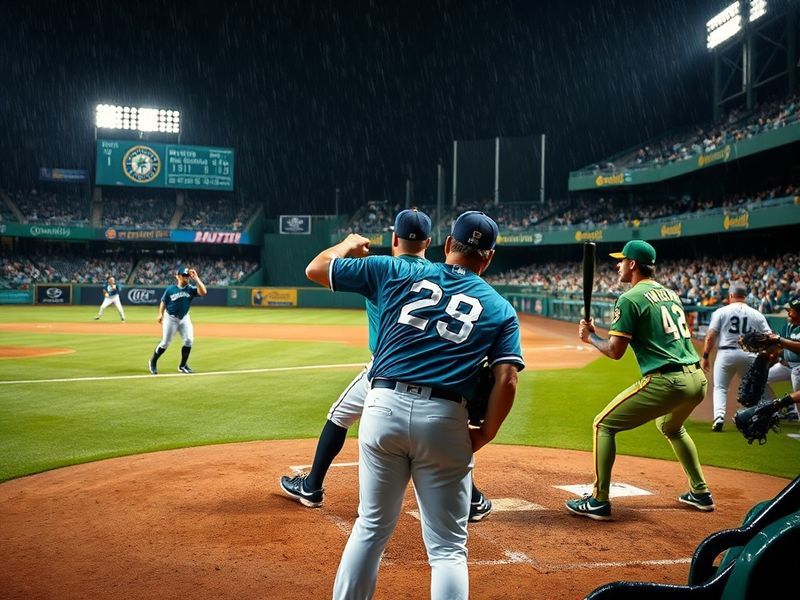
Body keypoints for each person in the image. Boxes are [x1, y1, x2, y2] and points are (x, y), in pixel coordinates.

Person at [306, 211, 524, 599]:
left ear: (446, 245)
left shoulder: (393, 269)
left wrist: (347, 246)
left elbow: (317, 268)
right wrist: (485, 432)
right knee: (447, 551)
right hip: (445, 419)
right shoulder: (500, 309)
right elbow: (507, 379)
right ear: (488, 257)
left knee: (370, 529)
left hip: (382, 406)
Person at [280, 209, 493, 522]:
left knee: (339, 416)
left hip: (387, 368)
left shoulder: (385, 269)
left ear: (394, 238)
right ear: (432, 242)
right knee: (441, 433)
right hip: (434, 370)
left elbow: (315, 268)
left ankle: (312, 487)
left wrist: (348, 244)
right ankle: (471, 499)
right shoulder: (436, 272)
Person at [567, 240, 712, 521]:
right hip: (697, 379)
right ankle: (701, 492)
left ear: (633, 264)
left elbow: (614, 351)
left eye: (622, 260)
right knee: (671, 426)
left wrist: (591, 338)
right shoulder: (670, 294)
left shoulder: (630, 298)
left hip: (667, 381)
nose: (617, 265)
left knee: (603, 424)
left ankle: (598, 501)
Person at [700, 283, 772, 431]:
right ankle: (756, 418)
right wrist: (765, 354)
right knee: (754, 388)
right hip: (749, 354)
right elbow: (770, 337)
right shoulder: (757, 314)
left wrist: (705, 356)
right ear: (745, 296)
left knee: (720, 387)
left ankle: (719, 418)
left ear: (731, 295)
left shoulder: (721, 311)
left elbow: (710, 336)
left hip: (726, 354)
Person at [148, 266, 207, 375]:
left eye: (187, 276)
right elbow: (163, 301)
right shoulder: (170, 289)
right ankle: (153, 361)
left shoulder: (190, 289)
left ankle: (183, 365)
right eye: (184, 276)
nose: (187, 278)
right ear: (178, 276)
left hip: (184, 318)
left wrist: (197, 278)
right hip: (170, 318)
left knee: (189, 340)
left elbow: (204, 292)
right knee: (165, 343)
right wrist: (160, 313)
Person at [766, 297, 800, 421]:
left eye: (790, 310)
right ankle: (776, 408)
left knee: (798, 400)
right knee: (763, 378)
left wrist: (780, 340)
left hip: (798, 367)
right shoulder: (788, 326)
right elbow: (780, 345)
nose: (788, 313)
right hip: (786, 365)